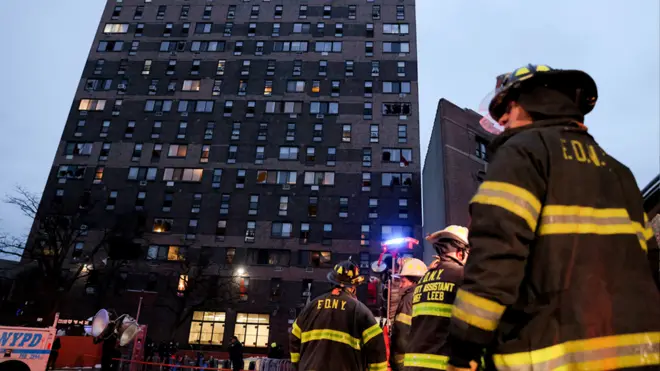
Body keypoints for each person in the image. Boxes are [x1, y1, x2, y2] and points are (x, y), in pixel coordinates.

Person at [446, 64, 660, 371]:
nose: (503, 121)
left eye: (507, 108)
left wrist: (464, 345)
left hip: (550, 354)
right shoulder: (619, 173)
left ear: (530, 102)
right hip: (641, 356)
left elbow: (496, 258)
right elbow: (649, 262)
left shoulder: (522, 153)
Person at [290, 260, 387, 371]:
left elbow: (294, 338)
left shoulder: (310, 307)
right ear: (353, 287)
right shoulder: (360, 311)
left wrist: (296, 365)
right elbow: (377, 351)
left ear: (332, 282)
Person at [403, 226, 470, 371]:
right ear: (460, 253)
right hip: (441, 365)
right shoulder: (462, 276)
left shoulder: (424, 279)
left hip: (413, 364)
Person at [390, 258, 428, 371]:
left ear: (414, 282)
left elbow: (402, 331)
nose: (400, 285)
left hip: (404, 360)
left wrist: (397, 360)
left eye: (403, 281)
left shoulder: (408, 298)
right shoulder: (424, 296)